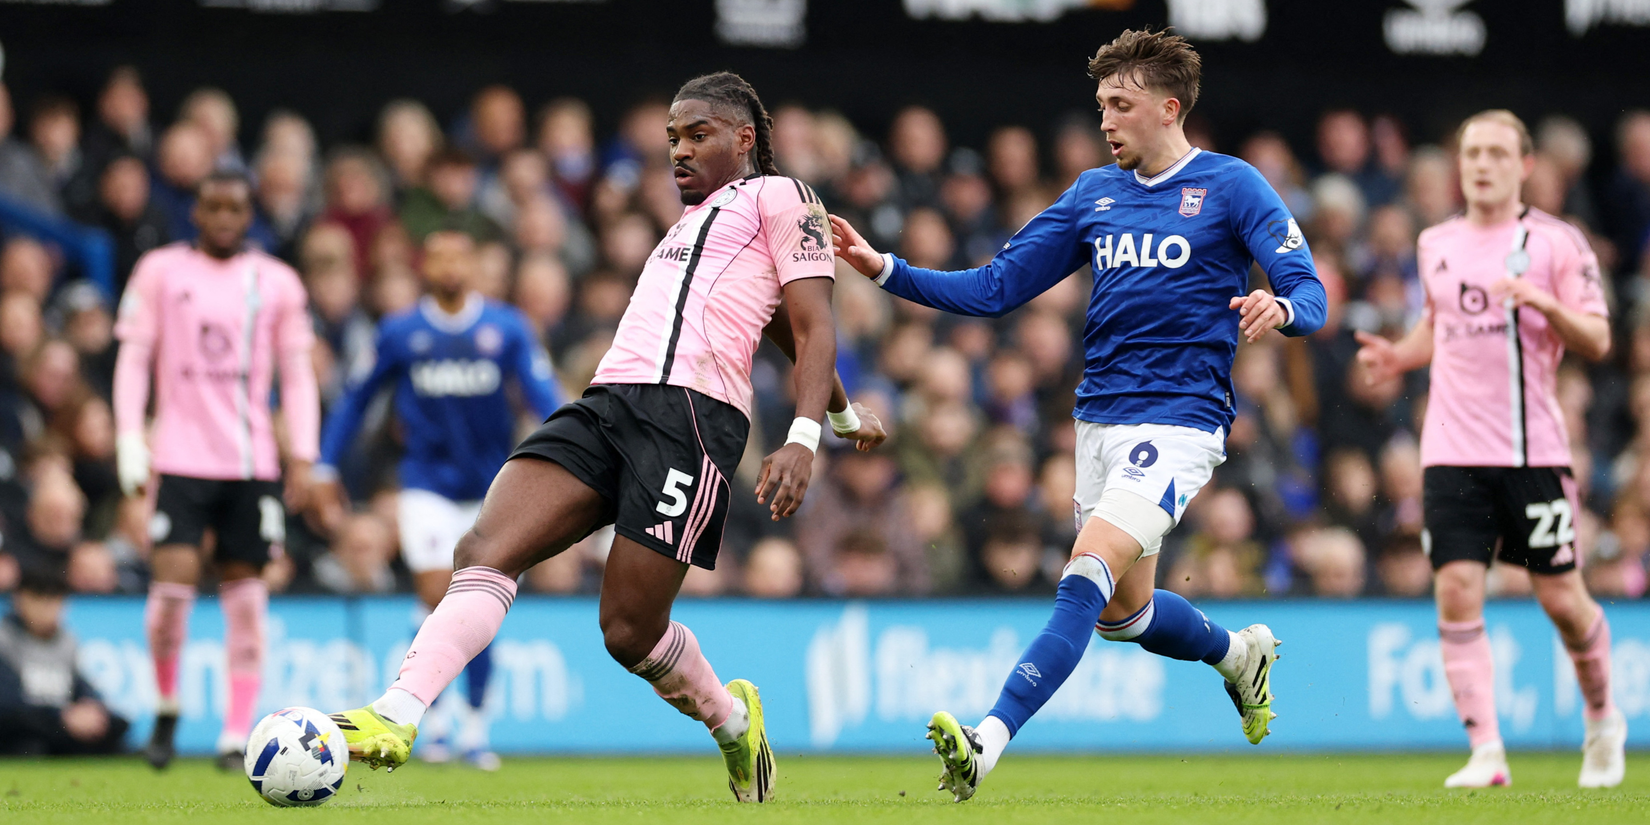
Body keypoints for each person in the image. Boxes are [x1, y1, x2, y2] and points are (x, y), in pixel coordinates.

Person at [326, 72, 885, 803]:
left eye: (697, 135)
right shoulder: (691, 224)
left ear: (745, 137)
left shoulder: (786, 198)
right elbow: (781, 325)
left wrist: (810, 433)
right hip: (606, 400)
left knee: (626, 629)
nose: (679, 151)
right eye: (672, 139)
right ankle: (396, 716)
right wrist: (842, 414)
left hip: (691, 420)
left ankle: (730, 718)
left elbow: (811, 324)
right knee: (483, 549)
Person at [831, 29, 1326, 802]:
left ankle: (984, 742)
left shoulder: (1233, 187)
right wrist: (885, 268)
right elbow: (996, 287)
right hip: (1097, 425)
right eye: (1101, 105)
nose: (1105, 121)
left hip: (1180, 424)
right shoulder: (1094, 194)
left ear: (1169, 108)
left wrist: (1282, 303)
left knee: (1084, 572)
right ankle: (1238, 655)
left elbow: (1311, 290)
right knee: (1123, 617)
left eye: (1120, 106)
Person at [1354, 110, 1625, 789]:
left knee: (1562, 599)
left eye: (1497, 153)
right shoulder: (1435, 241)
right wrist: (1400, 355)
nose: (1481, 164)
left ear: (1526, 165)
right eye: (1471, 152)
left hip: (1533, 452)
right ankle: (1487, 751)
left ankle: (1601, 718)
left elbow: (1597, 340)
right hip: (1450, 449)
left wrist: (1543, 303)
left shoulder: (1560, 244)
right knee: (1455, 591)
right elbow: (1436, 327)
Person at [312, 228, 565, 769]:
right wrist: (325, 462)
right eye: (439, 257)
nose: (449, 266)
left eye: (459, 256)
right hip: (425, 484)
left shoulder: (506, 327)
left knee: (477, 601)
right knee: (438, 593)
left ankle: (474, 726)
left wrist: (579, 448)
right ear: (425, 266)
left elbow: (544, 396)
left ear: (472, 265)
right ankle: (438, 723)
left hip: (493, 487)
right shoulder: (400, 332)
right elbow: (356, 400)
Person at [112, 170, 318, 770]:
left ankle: (234, 733)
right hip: (177, 459)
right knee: (172, 592)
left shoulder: (276, 282)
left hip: (251, 463)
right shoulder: (159, 271)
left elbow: (298, 373)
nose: (225, 217)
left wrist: (302, 452)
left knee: (247, 603)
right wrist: (130, 437)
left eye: (236, 207)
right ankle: (167, 706)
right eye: (214, 207)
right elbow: (133, 358)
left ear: (249, 215)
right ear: (195, 213)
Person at [0, 566, 130, 756]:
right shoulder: (5, 639)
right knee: (28, 737)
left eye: (54, 600)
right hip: (27, 722)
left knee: (115, 724)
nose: (47, 608)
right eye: (38, 599)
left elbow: (79, 683)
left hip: (60, 721)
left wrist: (91, 706)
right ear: (19, 600)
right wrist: (61, 716)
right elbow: (8, 701)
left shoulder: (66, 640)